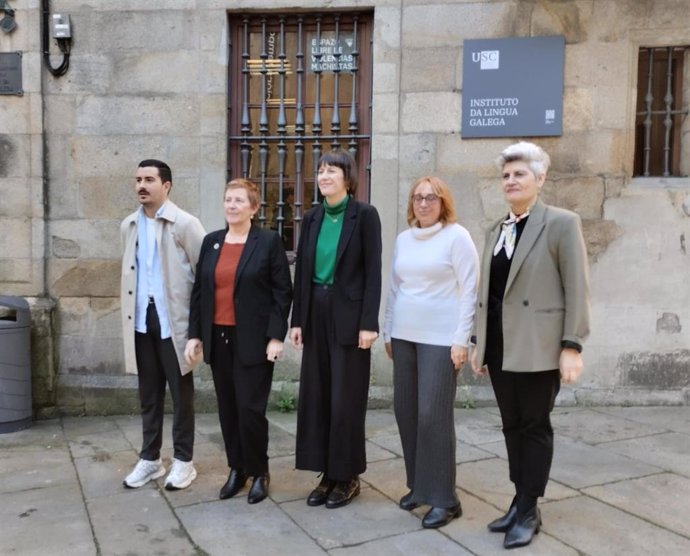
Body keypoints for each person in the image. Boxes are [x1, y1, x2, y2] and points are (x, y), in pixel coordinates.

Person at [470, 142, 590, 549]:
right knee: (510, 425)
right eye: (505, 175)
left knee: (534, 427)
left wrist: (571, 345)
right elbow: (487, 293)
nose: (510, 181)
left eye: (519, 174)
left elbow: (577, 288)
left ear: (539, 179)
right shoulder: (494, 229)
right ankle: (520, 500)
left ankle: (528, 509)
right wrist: (478, 343)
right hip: (502, 347)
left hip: (538, 346)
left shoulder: (560, 223)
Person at [184, 178, 292, 504]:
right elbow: (200, 292)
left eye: (239, 200)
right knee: (228, 410)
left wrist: (276, 336)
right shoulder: (212, 242)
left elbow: (282, 293)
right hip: (219, 339)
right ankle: (237, 468)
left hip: (254, 341)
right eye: (228, 199)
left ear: (254, 208)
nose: (232, 205)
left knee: (250, 409)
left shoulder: (268, 241)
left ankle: (260, 471)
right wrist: (195, 335)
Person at [383, 176, 479, 529]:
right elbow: (395, 289)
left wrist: (462, 339)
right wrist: (389, 330)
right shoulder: (404, 240)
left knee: (431, 415)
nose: (423, 203)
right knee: (406, 410)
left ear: (443, 203)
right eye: (418, 198)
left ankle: (444, 498)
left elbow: (469, 290)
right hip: (404, 336)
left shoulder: (457, 237)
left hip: (441, 339)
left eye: (431, 198)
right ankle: (419, 487)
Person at [290, 149, 382, 509]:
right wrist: (297, 320)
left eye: (332, 171)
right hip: (316, 313)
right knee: (318, 396)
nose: (325, 176)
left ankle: (347, 477)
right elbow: (302, 274)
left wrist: (369, 323)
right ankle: (327, 472)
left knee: (346, 399)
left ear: (348, 178)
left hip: (350, 318)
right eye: (321, 171)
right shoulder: (312, 217)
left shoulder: (365, 216)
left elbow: (373, 271)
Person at [120, 159, 205, 490]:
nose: (142, 185)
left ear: (166, 185)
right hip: (142, 319)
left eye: (150, 179)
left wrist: (196, 331)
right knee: (149, 394)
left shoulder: (185, 224)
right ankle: (150, 459)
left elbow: (203, 279)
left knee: (181, 393)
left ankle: (184, 461)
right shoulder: (128, 225)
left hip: (175, 322)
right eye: (138, 179)